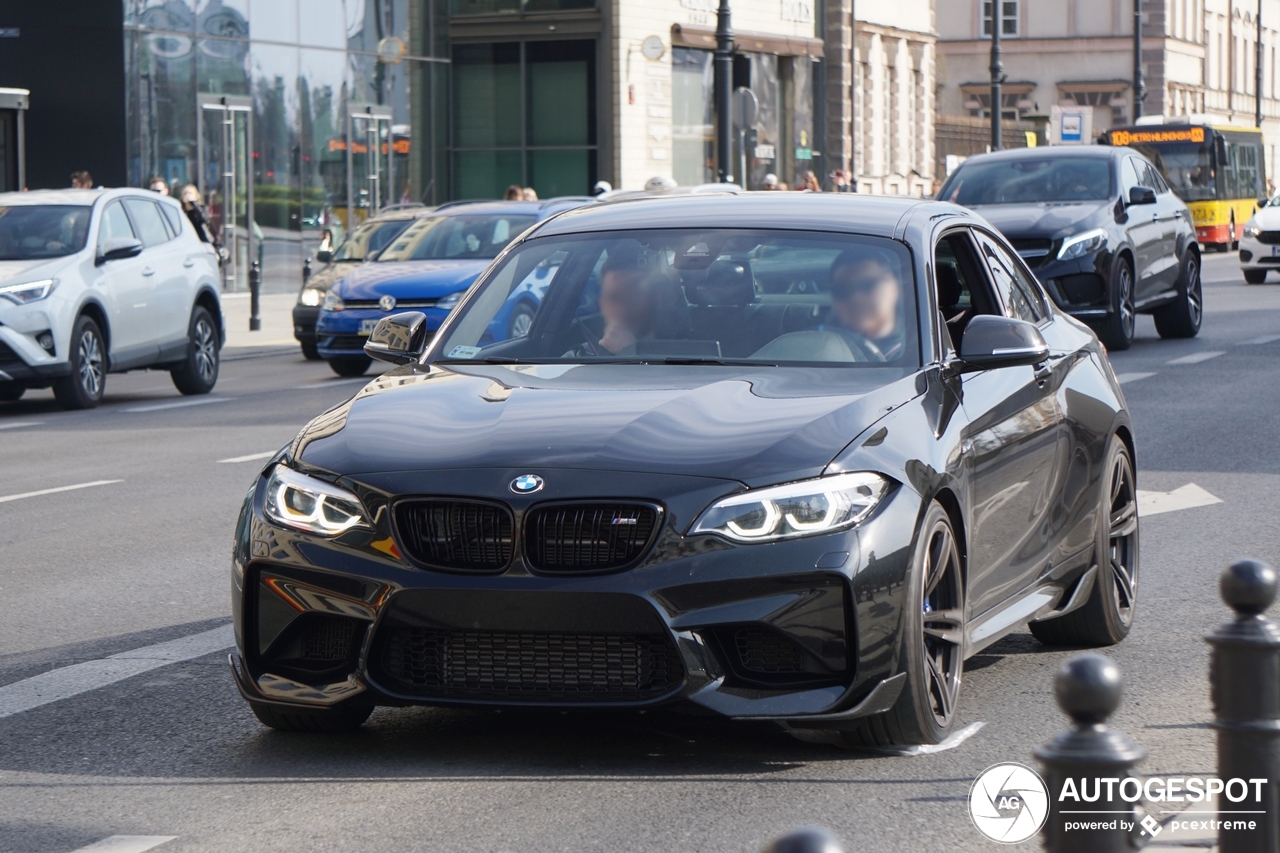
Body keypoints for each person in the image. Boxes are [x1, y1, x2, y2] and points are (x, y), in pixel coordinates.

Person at [822, 248, 904, 360]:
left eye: (867, 285)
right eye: (842, 290)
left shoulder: (918, 349)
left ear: (894, 288)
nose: (856, 298)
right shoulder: (816, 347)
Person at [179, 184, 219, 248]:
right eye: (185, 193)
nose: (187, 195)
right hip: (188, 242)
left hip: (203, 241)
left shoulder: (202, 208)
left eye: (190, 193)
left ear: (196, 196)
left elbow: (204, 219)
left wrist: (193, 203)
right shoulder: (181, 211)